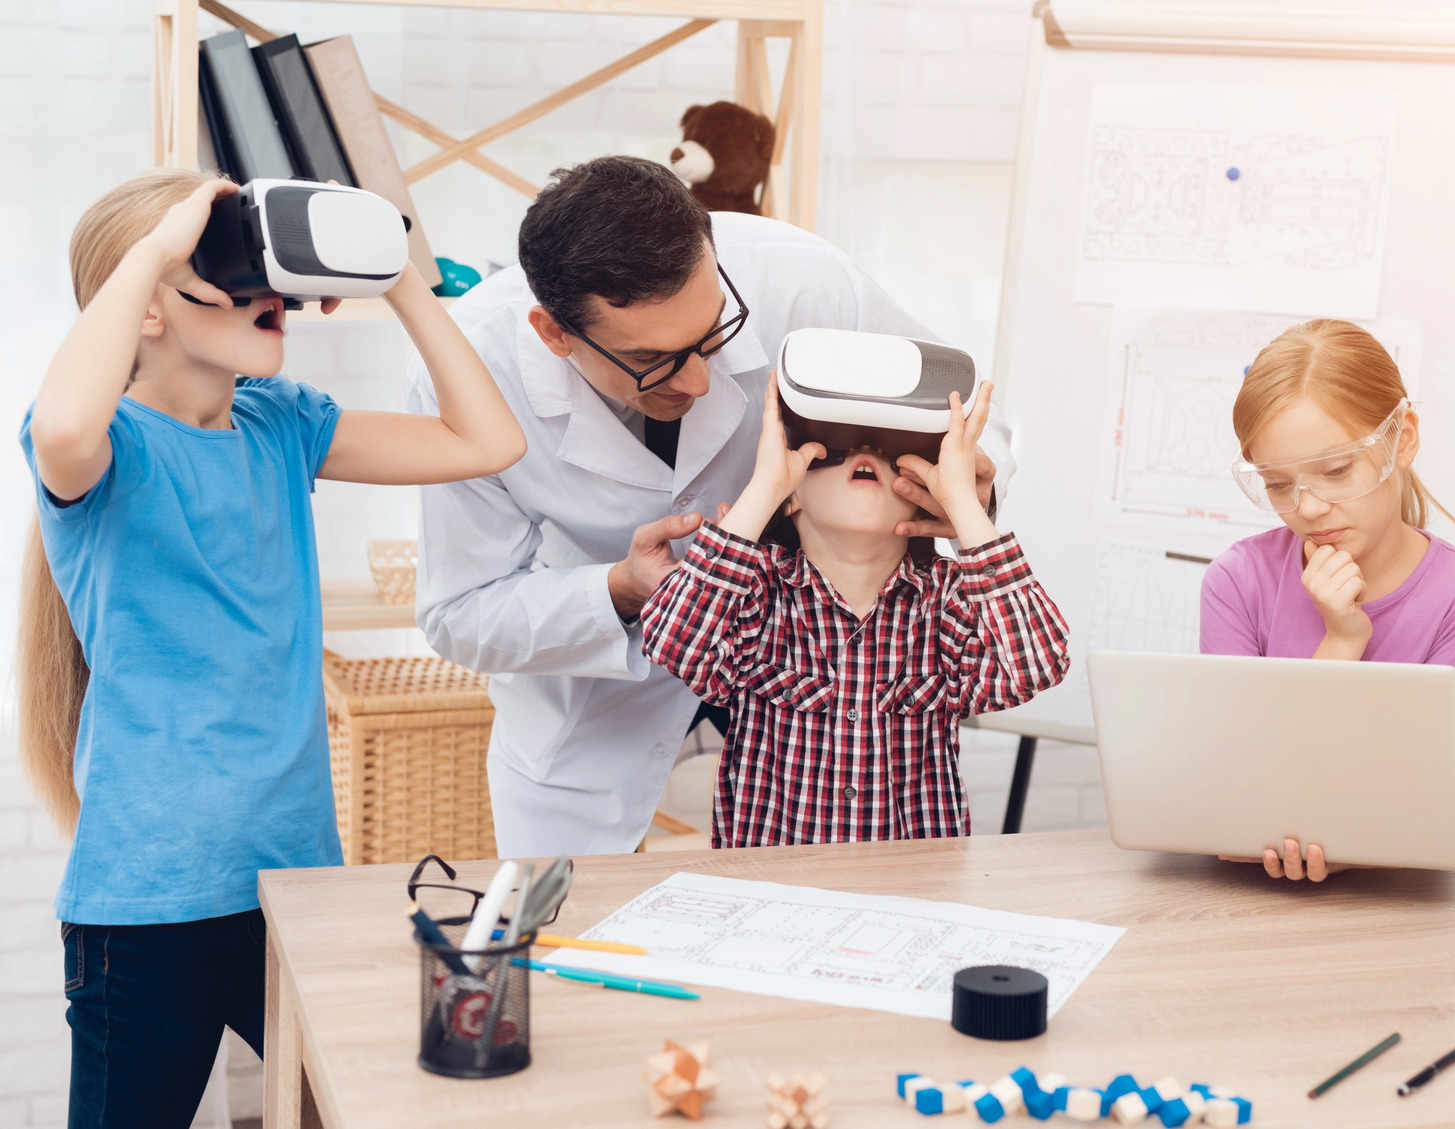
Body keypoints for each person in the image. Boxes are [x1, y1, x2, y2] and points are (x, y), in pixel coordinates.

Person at [18, 169, 525, 1127]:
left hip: (295, 884)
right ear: (153, 307)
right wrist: (153, 251)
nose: (268, 298)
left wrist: (398, 274)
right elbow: (68, 421)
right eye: (226, 271)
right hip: (146, 907)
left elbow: (486, 439)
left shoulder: (281, 424)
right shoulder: (107, 447)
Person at [406, 156, 1015, 856]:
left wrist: (972, 492)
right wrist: (620, 591)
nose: (697, 380)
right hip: (601, 681)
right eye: (654, 361)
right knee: (570, 925)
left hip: (802, 655)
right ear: (554, 334)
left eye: (712, 337)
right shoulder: (468, 370)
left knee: (817, 891)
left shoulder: (802, 284)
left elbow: (966, 412)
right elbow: (460, 613)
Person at [641, 375, 1068, 846]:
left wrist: (963, 502)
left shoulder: (945, 603)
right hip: (772, 887)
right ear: (793, 497)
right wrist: (763, 490)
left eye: (890, 454)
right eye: (834, 450)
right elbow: (671, 640)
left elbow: (1037, 665)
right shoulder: (759, 595)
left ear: (919, 498)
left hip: (910, 891)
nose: (867, 451)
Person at [1199, 319, 1455, 882]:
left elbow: (1414, 793)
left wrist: (1343, 838)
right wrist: (1340, 641)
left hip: (1397, 903)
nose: (1309, 508)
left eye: (1336, 470)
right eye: (1277, 484)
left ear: (1403, 439)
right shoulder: (1238, 580)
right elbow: (1245, 783)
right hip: (1238, 898)